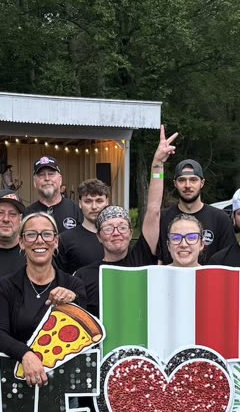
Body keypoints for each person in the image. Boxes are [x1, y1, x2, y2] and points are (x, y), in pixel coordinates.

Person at [74, 130, 175, 312]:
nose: (116, 233)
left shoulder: (141, 259)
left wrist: (157, 166)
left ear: (130, 232)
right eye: (108, 229)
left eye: (122, 227)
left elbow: (153, 210)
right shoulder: (83, 276)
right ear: (98, 236)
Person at [0, 213, 85, 387]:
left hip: (64, 383)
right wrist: (26, 354)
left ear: (56, 241)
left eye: (47, 234)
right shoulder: (4, 286)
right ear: (21, 242)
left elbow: (83, 332)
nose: (39, 241)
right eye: (31, 234)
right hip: (18, 381)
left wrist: (73, 301)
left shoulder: (73, 285)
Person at [156, 158, 234, 264]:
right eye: (182, 180)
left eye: (193, 180)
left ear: (202, 183)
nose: (187, 185)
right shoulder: (162, 218)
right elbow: (158, 260)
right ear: (175, 183)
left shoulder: (220, 219)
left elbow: (229, 260)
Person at [58, 179, 110, 272]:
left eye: (99, 201)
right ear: (80, 203)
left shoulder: (118, 237)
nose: (94, 207)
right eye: (88, 201)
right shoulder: (65, 239)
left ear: (107, 202)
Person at [25, 156, 83, 232]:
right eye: (41, 175)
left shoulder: (77, 210)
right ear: (35, 182)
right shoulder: (27, 214)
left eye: (51, 174)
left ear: (60, 180)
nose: (47, 178)